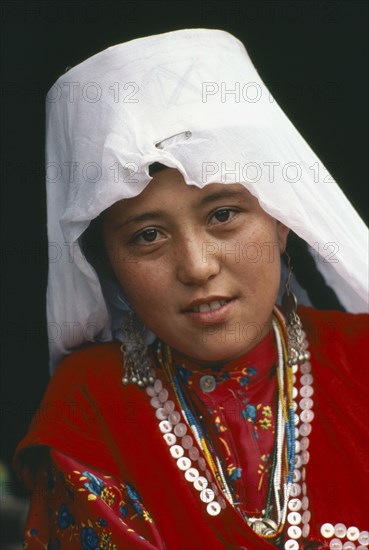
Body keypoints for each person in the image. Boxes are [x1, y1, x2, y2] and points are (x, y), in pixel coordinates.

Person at [14, 29, 368, 550]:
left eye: (223, 215)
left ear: (280, 218)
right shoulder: (91, 409)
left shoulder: (361, 359)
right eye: (148, 236)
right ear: (106, 261)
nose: (198, 267)